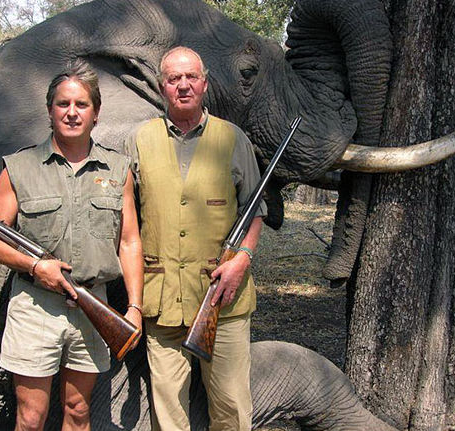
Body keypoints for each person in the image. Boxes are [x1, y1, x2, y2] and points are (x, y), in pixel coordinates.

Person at [0, 61, 143, 431]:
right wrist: (36, 267)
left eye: (82, 104)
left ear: (96, 113)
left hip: (94, 306)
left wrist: (134, 307)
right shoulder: (18, 167)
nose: (72, 112)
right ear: (50, 110)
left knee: (78, 410)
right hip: (36, 306)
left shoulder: (118, 170)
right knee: (31, 417)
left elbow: (130, 241)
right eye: (63, 104)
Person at [124, 46, 265, 431]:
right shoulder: (138, 140)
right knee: (168, 413)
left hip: (224, 297)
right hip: (162, 298)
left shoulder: (233, 139)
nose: (183, 86)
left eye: (191, 77)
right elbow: (126, 222)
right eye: (174, 79)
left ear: (204, 84)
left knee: (232, 409)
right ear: (161, 86)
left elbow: (256, 212)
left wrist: (243, 259)